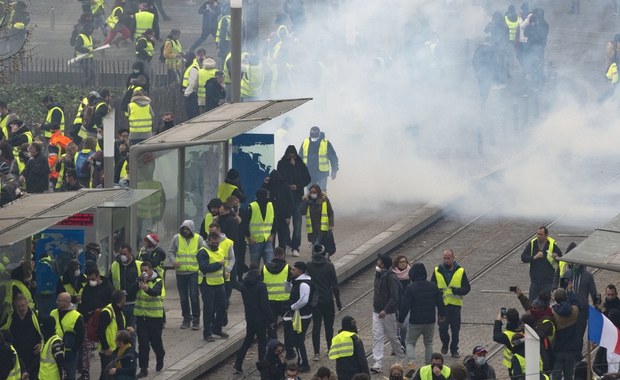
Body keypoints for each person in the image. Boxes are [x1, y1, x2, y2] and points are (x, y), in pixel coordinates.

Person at [398, 262, 445, 367]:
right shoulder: (433, 286)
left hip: (415, 321)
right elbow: (440, 303)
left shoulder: (410, 288)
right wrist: (441, 315)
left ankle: (411, 361)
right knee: (428, 343)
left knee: (410, 342)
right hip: (430, 320)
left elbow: (405, 306)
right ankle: (428, 364)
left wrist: (400, 319)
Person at [233, 263, 275, 374]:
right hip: (260, 318)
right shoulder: (261, 285)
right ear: (258, 271)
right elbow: (264, 304)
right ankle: (262, 365)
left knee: (248, 340)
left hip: (250, 317)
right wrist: (271, 318)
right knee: (262, 341)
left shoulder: (244, 285)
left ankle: (238, 363)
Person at [431, 249, 470, 359]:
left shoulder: (460, 271)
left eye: (448, 258)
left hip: (455, 305)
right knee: (442, 328)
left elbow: (467, 288)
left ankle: (454, 349)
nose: (446, 260)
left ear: (453, 258)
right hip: (442, 305)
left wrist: (457, 291)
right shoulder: (437, 270)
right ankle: (445, 343)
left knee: (455, 329)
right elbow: (432, 286)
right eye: (445, 258)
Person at [306, 242, 341, 361]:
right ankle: (330, 348)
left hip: (315, 301)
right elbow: (335, 285)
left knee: (316, 326)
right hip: (327, 299)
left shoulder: (309, 265)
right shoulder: (329, 266)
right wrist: (338, 300)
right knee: (328, 326)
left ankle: (316, 353)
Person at [77, 265, 113, 379]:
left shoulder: (108, 287)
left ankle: (105, 372)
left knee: (103, 348)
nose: (90, 282)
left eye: (92, 279)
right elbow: (83, 304)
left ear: (98, 277)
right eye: (89, 279)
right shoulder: (87, 288)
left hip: (103, 321)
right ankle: (85, 372)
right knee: (86, 348)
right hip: (89, 321)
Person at [167, 220, 204, 330]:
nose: (186, 231)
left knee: (194, 296)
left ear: (191, 229)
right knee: (183, 298)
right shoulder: (176, 238)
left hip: (193, 272)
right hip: (181, 272)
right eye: (184, 229)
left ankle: (196, 319)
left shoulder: (198, 239)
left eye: (188, 229)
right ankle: (186, 319)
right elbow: (171, 251)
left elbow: (203, 252)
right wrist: (173, 261)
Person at [554, 262, 597, 355]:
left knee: (579, 334)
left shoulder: (588, 276)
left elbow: (594, 293)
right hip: (569, 310)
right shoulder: (567, 274)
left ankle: (577, 354)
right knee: (569, 333)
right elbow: (561, 290)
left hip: (582, 311)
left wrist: (598, 306)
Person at [372, 254, 405, 374]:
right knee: (377, 336)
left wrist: (385, 310)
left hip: (388, 313)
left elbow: (395, 296)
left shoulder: (391, 277)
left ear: (383, 263)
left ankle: (400, 355)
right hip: (376, 312)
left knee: (392, 336)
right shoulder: (378, 274)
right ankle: (377, 363)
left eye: (379, 260)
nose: (378, 262)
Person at [277, 145, 311, 257]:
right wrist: (288, 186)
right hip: (286, 198)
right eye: (289, 155)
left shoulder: (300, 164)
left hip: (297, 198)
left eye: (293, 155)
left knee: (297, 224)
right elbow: (281, 177)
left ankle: (295, 247)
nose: (291, 157)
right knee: (285, 222)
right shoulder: (281, 164)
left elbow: (307, 178)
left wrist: (298, 185)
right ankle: (287, 243)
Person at [197, 231, 230, 341]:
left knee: (223, 307)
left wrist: (224, 271)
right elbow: (204, 267)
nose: (215, 245)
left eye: (217, 242)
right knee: (209, 309)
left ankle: (217, 328)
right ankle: (207, 333)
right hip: (207, 284)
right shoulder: (203, 252)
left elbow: (222, 265)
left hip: (219, 283)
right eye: (213, 243)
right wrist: (219, 264)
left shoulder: (220, 250)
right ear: (208, 241)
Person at [1, 294, 42, 380]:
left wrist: (41, 343)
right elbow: (3, 333)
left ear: (27, 303)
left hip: (33, 357)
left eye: (23, 305)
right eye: (18, 306)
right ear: (15, 306)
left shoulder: (35, 316)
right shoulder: (10, 318)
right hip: (18, 357)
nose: (21, 308)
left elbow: (44, 333)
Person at [135, 261, 165, 377]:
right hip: (142, 318)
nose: (144, 273)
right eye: (142, 270)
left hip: (155, 318)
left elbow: (156, 292)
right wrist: (137, 283)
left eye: (146, 270)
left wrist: (146, 288)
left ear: (151, 270)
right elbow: (132, 292)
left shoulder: (157, 280)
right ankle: (143, 368)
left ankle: (160, 355)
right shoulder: (140, 280)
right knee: (143, 345)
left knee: (155, 342)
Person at [283, 261, 313, 373]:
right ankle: (301, 361)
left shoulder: (304, 284)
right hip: (298, 316)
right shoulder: (297, 282)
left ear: (300, 271)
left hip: (302, 316)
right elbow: (287, 290)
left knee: (299, 340)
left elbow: (304, 300)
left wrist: (292, 307)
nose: (291, 271)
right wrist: (288, 280)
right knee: (298, 340)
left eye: (293, 270)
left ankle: (304, 363)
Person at [263, 247, 294, 356]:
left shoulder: (264, 268)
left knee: (271, 327)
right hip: (285, 303)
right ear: (283, 255)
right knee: (288, 327)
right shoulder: (288, 268)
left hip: (270, 303)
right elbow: (291, 285)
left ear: (273, 255)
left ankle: (273, 350)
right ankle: (290, 351)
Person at [51, 292, 85, 380]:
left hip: (70, 352)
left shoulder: (77, 316)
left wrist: (74, 349)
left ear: (66, 302)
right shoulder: (53, 313)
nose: (57, 302)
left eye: (59, 300)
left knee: (70, 375)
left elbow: (81, 336)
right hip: (56, 349)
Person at [521, 227, 563, 300]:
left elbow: (561, 258)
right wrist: (534, 257)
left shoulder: (552, 244)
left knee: (545, 304)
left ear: (546, 235)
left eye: (541, 234)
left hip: (548, 281)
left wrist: (556, 257)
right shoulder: (532, 243)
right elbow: (523, 257)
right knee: (532, 303)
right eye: (537, 234)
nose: (538, 236)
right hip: (535, 280)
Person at [110, 243, 142, 334]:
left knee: (131, 331)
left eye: (124, 254)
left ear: (130, 253)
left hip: (133, 303)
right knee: (119, 331)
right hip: (119, 304)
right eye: (121, 254)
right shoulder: (115, 265)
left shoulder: (138, 265)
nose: (122, 256)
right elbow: (110, 281)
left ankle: (131, 348)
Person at [98, 290, 129, 380]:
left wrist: (127, 329)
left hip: (117, 348)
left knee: (112, 373)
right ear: (122, 300)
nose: (126, 300)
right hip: (109, 350)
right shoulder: (107, 312)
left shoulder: (119, 310)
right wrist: (106, 347)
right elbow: (100, 331)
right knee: (106, 373)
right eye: (125, 298)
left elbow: (118, 326)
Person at [298, 126, 339, 191]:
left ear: (319, 134)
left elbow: (333, 157)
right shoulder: (305, 142)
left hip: (322, 173)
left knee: (322, 192)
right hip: (309, 172)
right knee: (310, 192)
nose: (313, 137)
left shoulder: (325, 143)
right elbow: (299, 158)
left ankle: (323, 201)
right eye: (312, 134)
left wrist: (334, 170)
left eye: (315, 134)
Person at [329, 316, 370, 380]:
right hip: (356, 374)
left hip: (341, 374)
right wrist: (367, 375)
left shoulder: (336, 339)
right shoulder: (355, 338)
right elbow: (362, 360)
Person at [551, 288, 579, 380]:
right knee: (569, 376)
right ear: (566, 297)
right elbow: (576, 302)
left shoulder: (553, 313)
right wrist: (571, 291)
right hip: (571, 349)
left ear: (555, 299)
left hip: (558, 349)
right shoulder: (574, 311)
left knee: (556, 376)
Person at [244, 188, 276, 266]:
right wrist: (249, 238)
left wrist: (272, 235)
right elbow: (245, 223)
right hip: (255, 241)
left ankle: (267, 278)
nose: (268, 197)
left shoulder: (271, 206)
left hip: (268, 239)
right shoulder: (252, 207)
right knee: (254, 265)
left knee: (269, 264)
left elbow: (275, 221)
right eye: (267, 195)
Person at [302, 184, 335, 256]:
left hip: (322, 229)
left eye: (314, 192)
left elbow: (330, 212)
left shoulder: (324, 200)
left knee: (316, 247)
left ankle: (316, 260)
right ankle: (322, 259)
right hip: (312, 230)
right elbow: (302, 212)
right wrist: (306, 201)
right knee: (318, 247)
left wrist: (331, 224)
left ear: (318, 192)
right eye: (311, 192)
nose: (312, 194)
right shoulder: (308, 202)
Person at [493, 308, 526, 379]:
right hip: (525, 360)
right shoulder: (524, 326)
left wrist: (498, 320)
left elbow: (496, 336)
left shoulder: (507, 336)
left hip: (513, 363)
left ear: (507, 319)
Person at [393, 255, 412, 348]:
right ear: (397, 263)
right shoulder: (393, 275)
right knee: (395, 326)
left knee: (404, 325)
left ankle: (402, 340)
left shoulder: (410, 273)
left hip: (407, 304)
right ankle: (396, 345)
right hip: (395, 303)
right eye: (401, 262)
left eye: (404, 261)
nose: (403, 263)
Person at [182, 52, 201, 120]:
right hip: (190, 93)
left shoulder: (193, 68)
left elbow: (192, 82)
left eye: (186, 59)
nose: (185, 61)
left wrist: (186, 93)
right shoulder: (192, 66)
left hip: (191, 94)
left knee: (192, 112)